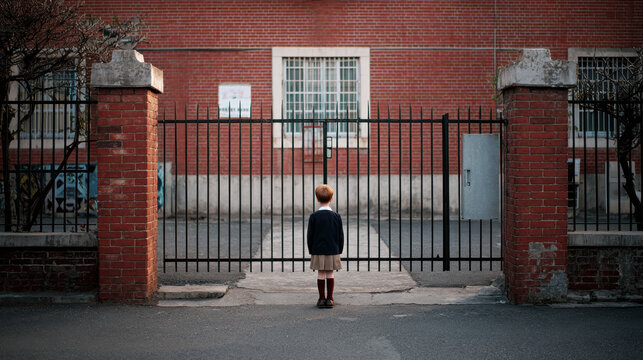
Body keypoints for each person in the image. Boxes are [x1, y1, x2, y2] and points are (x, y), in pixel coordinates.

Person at [307, 184, 344, 308]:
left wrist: (311, 249)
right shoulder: (336, 216)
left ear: (317, 199)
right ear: (331, 198)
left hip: (317, 250)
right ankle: (330, 299)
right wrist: (339, 249)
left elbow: (310, 235)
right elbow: (340, 235)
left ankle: (321, 299)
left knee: (320, 273)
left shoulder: (313, 216)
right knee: (330, 273)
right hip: (333, 249)